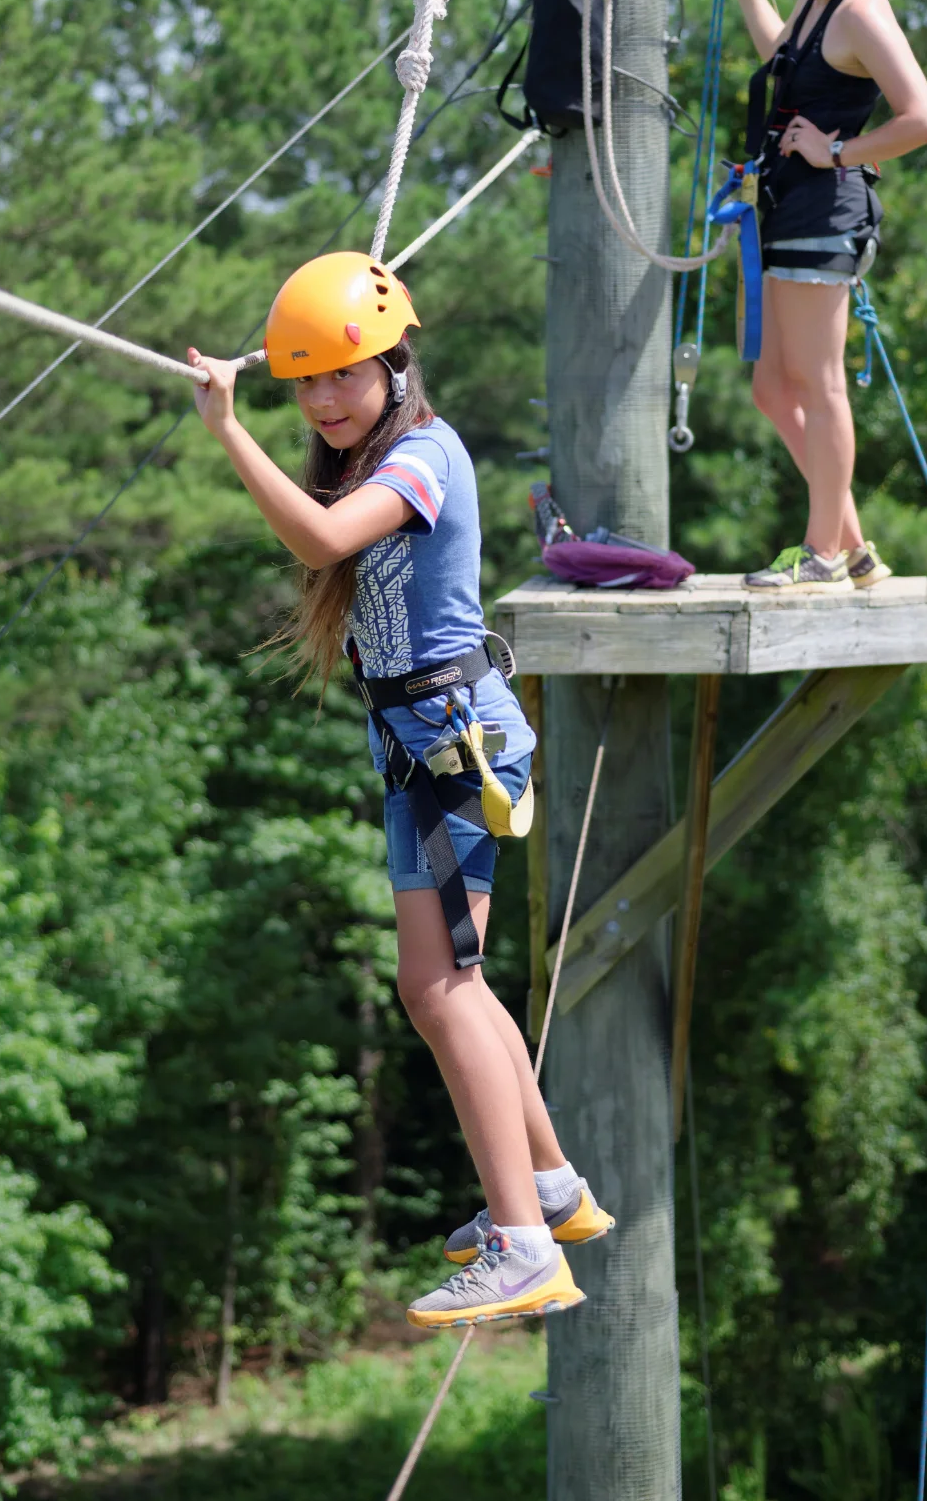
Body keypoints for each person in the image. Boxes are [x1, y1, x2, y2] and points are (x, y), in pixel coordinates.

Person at [188, 251, 613, 1332]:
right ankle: (550, 1186)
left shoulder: (424, 457)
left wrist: (231, 431)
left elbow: (325, 539)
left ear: (395, 364)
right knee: (446, 990)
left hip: (455, 751)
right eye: (307, 384)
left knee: (441, 991)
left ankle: (522, 1241)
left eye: (345, 375)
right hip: (422, 754)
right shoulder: (373, 458)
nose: (325, 400)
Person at [711, 0, 927, 592]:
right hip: (789, 210)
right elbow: (778, 52)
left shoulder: (861, 10)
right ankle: (855, 546)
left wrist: (836, 149)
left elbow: (923, 120)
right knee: (772, 390)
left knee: (818, 384)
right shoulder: (818, 3)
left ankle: (822, 555)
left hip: (826, 215)